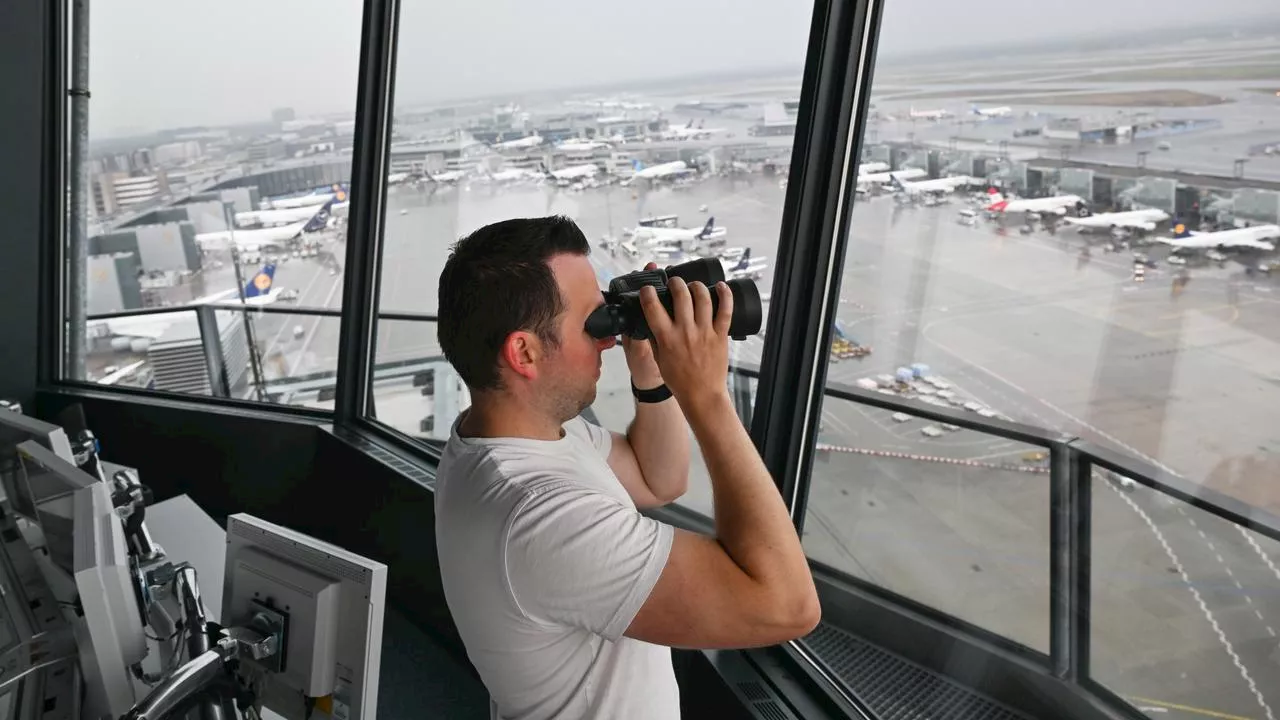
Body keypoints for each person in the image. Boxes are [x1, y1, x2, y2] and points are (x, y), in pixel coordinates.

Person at [434, 216, 820, 720]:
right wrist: (706, 397)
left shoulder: (504, 435)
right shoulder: (543, 518)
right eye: (593, 324)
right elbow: (788, 606)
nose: (609, 340)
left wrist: (654, 378)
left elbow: (659, 479)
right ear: (524, 352)